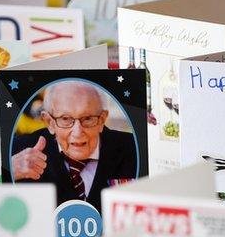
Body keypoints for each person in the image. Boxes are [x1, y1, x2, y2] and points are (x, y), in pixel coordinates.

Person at [10, 80, 137, 213]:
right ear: (49, 122)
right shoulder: (17, 154)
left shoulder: (134, 148)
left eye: (87, 118)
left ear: (102, 119)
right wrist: (11, 172)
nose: (78, 132)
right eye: (65, 119)